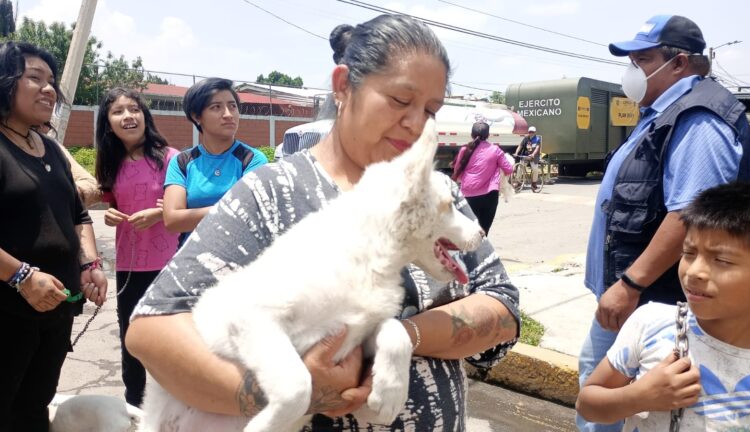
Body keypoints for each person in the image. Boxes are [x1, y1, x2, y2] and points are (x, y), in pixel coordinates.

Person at [127, 14, 520, 431]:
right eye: (401, 101)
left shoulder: (436, 191)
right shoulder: (271, 192)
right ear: (342, 87)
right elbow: (152, 329)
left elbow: (502, 304)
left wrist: (402, 337)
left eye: (431, 109)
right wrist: (288, 392)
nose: (416, 122)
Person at [577, 15, 750, 432]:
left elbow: (688, 214)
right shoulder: (664, 114)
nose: (631, 71)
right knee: (605, 390)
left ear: (678, 64)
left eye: (641, 58)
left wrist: (629, 285)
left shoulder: (699, 118)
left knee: (619, 399)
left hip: (652, 301)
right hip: (635, 299)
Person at [577, 182, 750, 429]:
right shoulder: (650, 323)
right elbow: (587, 405)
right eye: (688, 253)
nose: (695, 272)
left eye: (721, 260)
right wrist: (638, 397)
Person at [0, 41, 108, 431]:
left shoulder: (48, 147)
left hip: (56, 310)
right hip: (8, 312)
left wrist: (89, 263)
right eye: (34, 78)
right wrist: (21, 276)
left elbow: (77, 213)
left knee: (34, 406)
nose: (49, 89)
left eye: (51, 81)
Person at [94, 87, 180, 408]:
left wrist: (160, 212)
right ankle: (134, 407)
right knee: (131, 340)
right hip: (129, 267)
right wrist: (112, 214)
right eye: (118, 112)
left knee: (171, 340)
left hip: (169, 265)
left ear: (145, 116)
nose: (128, 116)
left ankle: (176, 405)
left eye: (134, 109)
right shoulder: (110, 162)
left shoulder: (171, 157)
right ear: (108, 123)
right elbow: (110, 202)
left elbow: (181, 207)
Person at [163, 77, 268, 246]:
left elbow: (252, 213)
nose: (228, 114)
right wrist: (232, 209)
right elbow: (172, 220)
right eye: (216, 107)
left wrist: (190, 215)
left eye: (232, 106)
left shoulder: (252, 160)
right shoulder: (182, 162)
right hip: (192, 261)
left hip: (242, 260)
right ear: (196, 116)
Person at [451, 121, 514, 234]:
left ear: (471, 135)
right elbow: (508, 169)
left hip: (468, 195)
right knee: (483, 231)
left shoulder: (464, 150)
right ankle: (481, 250)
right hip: (489, 196)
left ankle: (469, 251)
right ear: (488, 135)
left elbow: (458, 172)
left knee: (468, 232)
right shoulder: (495, 150)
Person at [513, 125, 541, 191]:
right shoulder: (526, 138)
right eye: (530, 132)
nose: (531, 133)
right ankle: (518, 182)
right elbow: (520, 146)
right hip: (525, 156)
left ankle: (534, 183)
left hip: (534, 157)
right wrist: (516, 153)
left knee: (535, 169)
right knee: (520, 167)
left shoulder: (537, 139)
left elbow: (537, 148)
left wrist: (533, 154)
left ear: (535, 132)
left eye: (532, 132)